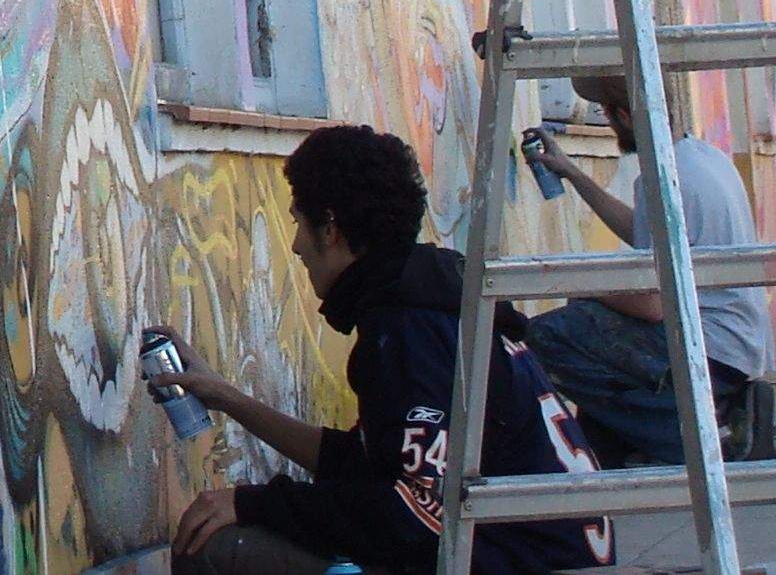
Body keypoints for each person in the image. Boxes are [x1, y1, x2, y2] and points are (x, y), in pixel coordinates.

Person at [152, 125, 609, 574]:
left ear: (329, 227)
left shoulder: (408, 330)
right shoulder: (436, 302)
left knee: (213, 549)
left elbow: (411, 515)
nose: (294, 246)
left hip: (521, 561)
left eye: (297, 222)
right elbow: (369, 463)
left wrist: (253, 504)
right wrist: (227, 398)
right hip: (542, 553)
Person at [523, 73, 769, 463]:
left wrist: (586, 285)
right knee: (590, 323)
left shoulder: (663, 179)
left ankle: (688, 438)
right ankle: (622, 441)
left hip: (709, 348)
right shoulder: (702, 157)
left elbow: (654, 305)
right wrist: (572, 173)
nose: (606, 121)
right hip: (739, 344)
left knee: (546, 335)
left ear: (624, 114)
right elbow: (641, 231)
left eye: (605, 112)